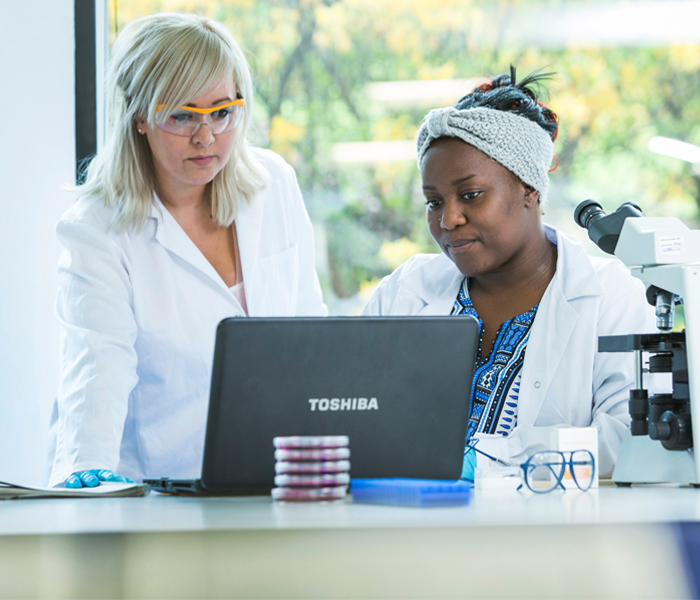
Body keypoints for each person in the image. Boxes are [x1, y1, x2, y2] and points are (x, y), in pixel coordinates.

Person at [47, 13, 326, 488]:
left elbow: (310, 336)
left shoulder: (273, 184)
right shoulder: (97, 229)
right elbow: (97, 370)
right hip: (158, 498)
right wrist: (86, 475)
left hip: (280, 482)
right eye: (181, 115)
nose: (206, 137)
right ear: (139, 117)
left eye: (222, 112)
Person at [362, 69, 658, 479]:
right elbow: (352, 412)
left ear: (529, 189)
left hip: (543, 536)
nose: (449, 219)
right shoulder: (406, 290)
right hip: (403, 527)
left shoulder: (609, 296)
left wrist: (485, 462)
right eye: (433, 201)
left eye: (470, 195)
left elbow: (625, 436)